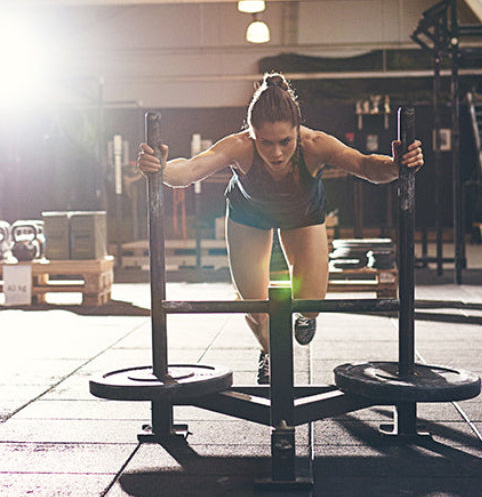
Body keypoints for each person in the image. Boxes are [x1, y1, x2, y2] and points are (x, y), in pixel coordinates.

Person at [135, 73, 423, 382]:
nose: (276, 153)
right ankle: (272, 354)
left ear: (297, 131)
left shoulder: (315, 144)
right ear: (252, 134)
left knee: (311, 301)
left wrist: (396, 166)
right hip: (249, 216)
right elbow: (191, 170)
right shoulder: (239, 146)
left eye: (285, 141)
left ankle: (305, 319)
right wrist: (161, 169)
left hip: (303, 216)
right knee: (255, 305)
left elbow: (365, 166)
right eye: (266, 143)